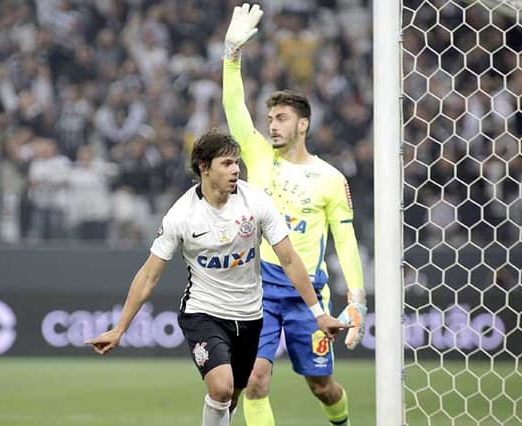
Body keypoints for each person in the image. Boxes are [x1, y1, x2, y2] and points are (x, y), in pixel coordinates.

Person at [85, 130, 351, 426]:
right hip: (204, 313)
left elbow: (289, 259)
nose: (236, 169)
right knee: (221, 387)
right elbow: (149, 274)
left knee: (232, 396)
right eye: (226, 163)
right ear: (203, 166)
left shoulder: (257, 203)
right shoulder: (182, 215)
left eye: (237, 163)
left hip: (250, 315)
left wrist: (318, 313)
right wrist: (119, 329)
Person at [222, 4, 368, 426]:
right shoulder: (258, 155)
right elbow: (235, 109)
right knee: (255, 380)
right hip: (261, 288)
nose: (272, 125)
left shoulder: (330, 178)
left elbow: (344, 240)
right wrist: (231, 55)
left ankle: (341, 421)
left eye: (282, 118)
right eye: (270, 118)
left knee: (322, 387)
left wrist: (356, 299)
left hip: (310, 295)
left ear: (303, 124)